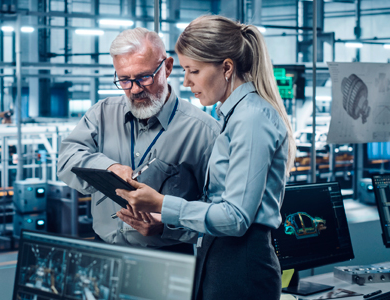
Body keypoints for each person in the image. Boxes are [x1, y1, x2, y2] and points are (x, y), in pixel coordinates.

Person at [115, 15, 297, 300]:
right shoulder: (234, 115)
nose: (186, 81)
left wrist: (162, 202)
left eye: (193, 71)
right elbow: (219, 204)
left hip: (241, 265)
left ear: (226, 67)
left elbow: (236, 217)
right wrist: (163, 220)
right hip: (219, 257)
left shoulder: (251, 118)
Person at [57, 27, 220, 251]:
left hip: (168, 256)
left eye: (144, 78)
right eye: (124, 80)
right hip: (105, 249)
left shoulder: (205, 132)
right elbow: (67, 158)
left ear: (168, 67)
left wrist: (168, 226)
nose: (134, 89)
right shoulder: (101, 114)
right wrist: (109, 168)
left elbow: (219, 213)